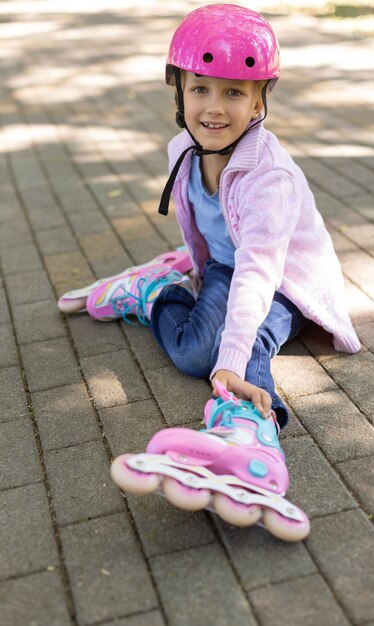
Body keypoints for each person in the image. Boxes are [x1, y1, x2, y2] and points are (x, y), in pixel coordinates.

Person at [85, 3, 360, 429]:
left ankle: (246, 426)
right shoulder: (182, 151)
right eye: (200, 89)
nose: (213, 107)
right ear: (180, 92)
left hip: (285, 278)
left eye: (233, 92)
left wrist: (230, 358)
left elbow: (259, 270)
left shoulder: (269, 178)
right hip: (223, 266)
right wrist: (203, 275)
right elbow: (212, 241)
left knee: (244, 347)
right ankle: (157, 293)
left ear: (256, 104)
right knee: (196, 356)